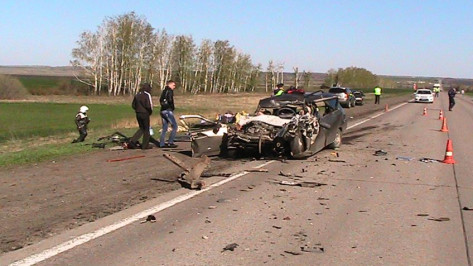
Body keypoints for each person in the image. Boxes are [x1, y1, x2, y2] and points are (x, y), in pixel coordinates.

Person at [129, 83, 154, 149]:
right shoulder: (147, 95)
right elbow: (149, 105)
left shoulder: (137, 94)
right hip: (145, 113)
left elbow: (133, 105)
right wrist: (150, 112)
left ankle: (132, 141)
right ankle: (145, 145)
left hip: (138, 113)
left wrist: (137, 109)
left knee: (141, 128)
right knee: (146, 129)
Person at [159, 80, 178, 148]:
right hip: (167, 110)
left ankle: (161, 143)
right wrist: (172, 107)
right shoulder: (169, 91)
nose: (174, 87)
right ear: (169, 85)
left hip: (162, 110)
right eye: (173, 85)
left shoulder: (164, 91)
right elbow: (170, 100)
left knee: (164, 127)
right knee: (175, 126)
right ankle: (170, 142)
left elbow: (161, 100)